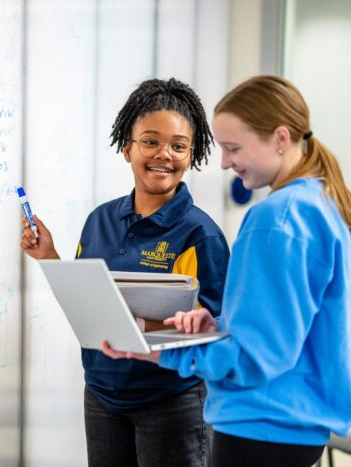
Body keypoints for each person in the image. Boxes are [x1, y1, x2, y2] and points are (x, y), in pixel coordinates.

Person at [102, 75, 351, 467]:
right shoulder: (320, 206)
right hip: (293, 426)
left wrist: (154, 352)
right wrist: (220, 322)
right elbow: (286, 328)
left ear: (281, 139)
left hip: (260, 426)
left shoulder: (275, 218)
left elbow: (255, 359)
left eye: (233, 148)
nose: (224, 162)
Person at [20, 78, 230, 467]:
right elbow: (87, 298)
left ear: (191, 154)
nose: (163, 155)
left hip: (171, 401)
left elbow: (215, 331)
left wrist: (146, 326)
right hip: (101, 394)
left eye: (178, 146)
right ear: (126, 148)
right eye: (150, 141)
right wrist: (49, 256)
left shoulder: (200, 236)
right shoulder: (99, 220)